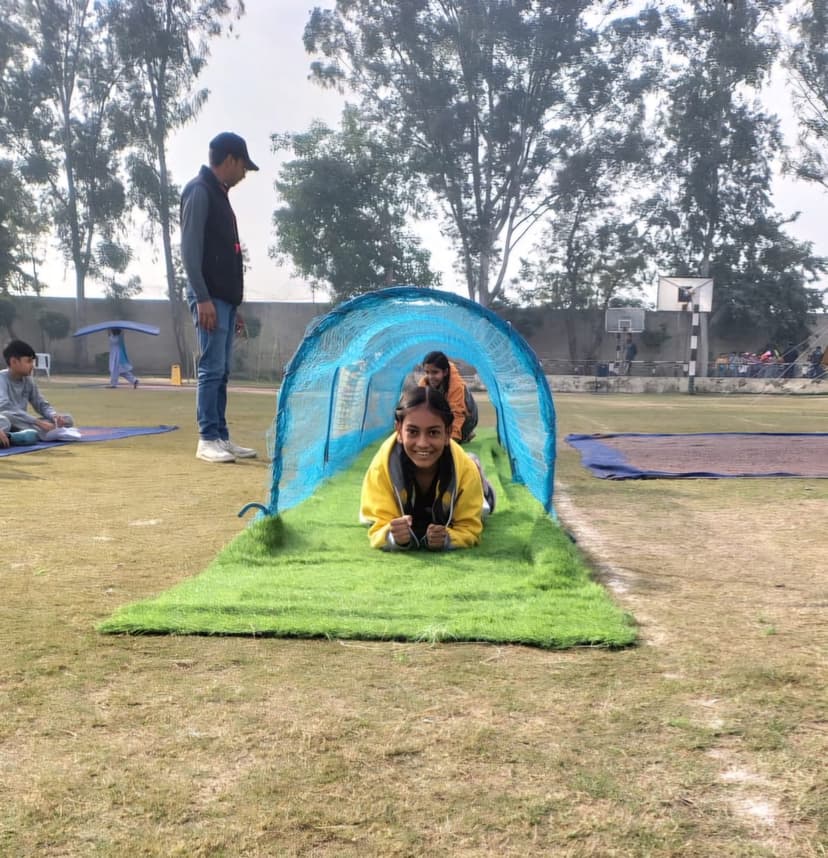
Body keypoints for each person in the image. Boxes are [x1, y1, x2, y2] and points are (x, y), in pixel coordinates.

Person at [180, 131, 259, 464]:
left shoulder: (219, 195)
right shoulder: (199, 191)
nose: (244, 174)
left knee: (222, 370)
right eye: (243, 166)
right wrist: (203, 297)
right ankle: (207, 438)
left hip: (223, 300)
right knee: (211, 368)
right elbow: (190, 250)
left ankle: (221, 436)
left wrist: (232, 305)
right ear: (230, 160)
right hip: (208, 298)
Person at [360, 386, 494, 551]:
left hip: (469, 481)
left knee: (484, 508)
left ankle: (481, 477)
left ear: (447, 433)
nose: (422, 443)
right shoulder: (381, 469)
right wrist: (392, 537)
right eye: (413, 432)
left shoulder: (465, 471)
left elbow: (470, 528)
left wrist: (448, 538)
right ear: (399, 431)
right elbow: (378, 524)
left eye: (433, 433)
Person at [0, 340, 79, 441]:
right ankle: (31, 434)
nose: (33, 365)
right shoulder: (1, 379)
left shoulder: (28, 380)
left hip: (23, 422)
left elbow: (41, 404)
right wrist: (38, 423)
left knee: (67, 419)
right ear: (14, 362)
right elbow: (6, 407)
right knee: (6, 419)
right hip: (8, 419)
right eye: (29, 361)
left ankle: (19, 436)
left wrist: (54, 416)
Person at [418, 350, 478, 443]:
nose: (430, 377)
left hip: (466, 417)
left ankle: (465, 433)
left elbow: (457, 414)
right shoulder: (425, 382)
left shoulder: (456, 385)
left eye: (435, 372)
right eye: (427, 372)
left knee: (447, 439)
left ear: (445, 372)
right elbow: (418, 408)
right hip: (446, 414)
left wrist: (452, 441)